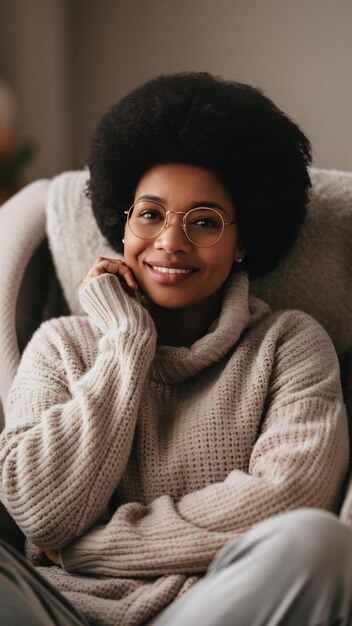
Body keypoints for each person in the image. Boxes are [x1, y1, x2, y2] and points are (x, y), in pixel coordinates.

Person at [0, 72, 350, 626]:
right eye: (151, 214)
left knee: (318, 544)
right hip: (58, 612)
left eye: (205, 222)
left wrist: (83, 549)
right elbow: (39, 514)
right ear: (123, 223)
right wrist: (127, 341)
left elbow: (289, 499)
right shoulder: (61, 345)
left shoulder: (288, 345)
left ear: (244, 243)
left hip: (208, 611)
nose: (170, 242)